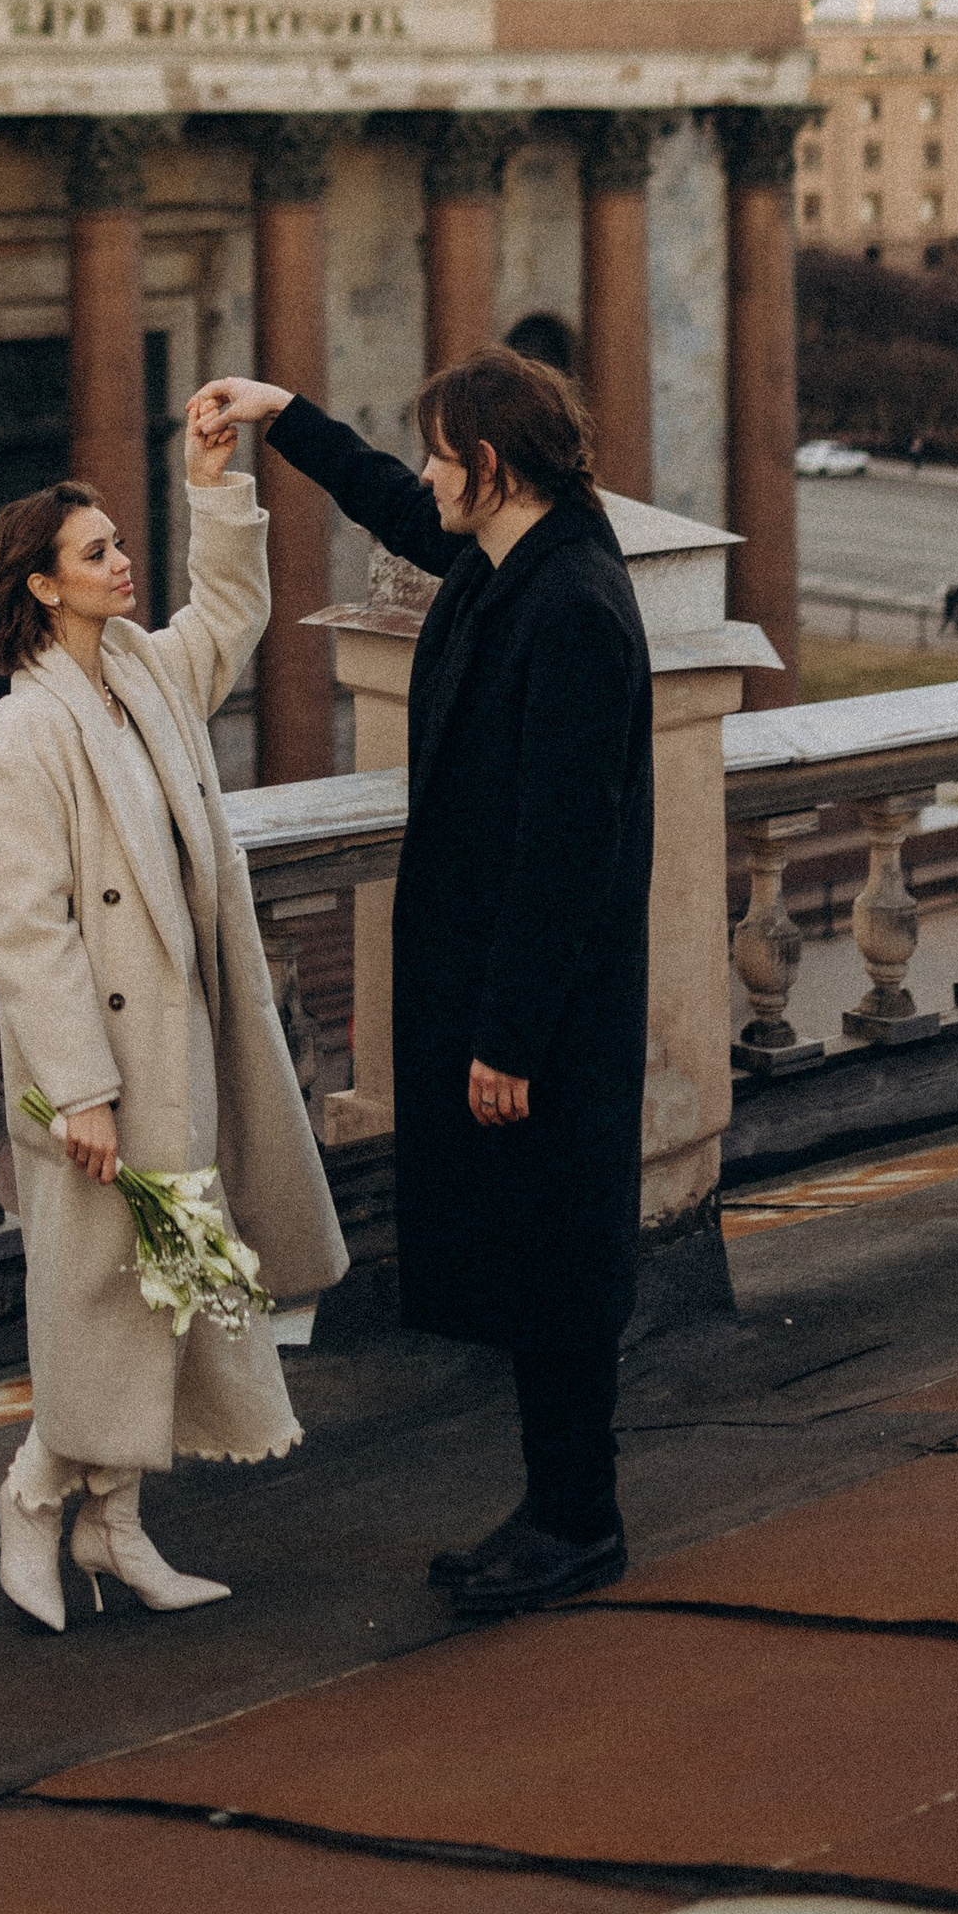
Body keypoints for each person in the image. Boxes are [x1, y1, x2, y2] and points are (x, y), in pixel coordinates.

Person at [194, 348, 652, 1616]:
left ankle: (577, 1521)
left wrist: (509, 1038)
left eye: (448, 455)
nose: (435, 475)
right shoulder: (521, 555)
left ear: (492, 469)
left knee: (557, 1267)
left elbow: (568, 849)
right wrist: (285, 422)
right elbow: (397, 505)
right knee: (533, 1254)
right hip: (511, 995)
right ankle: (559, 1508)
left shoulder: (570, 609)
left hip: (541, 1013)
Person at [0, 398, 347, 1633]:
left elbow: (230, 613)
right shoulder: (25, 734)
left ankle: (116, 1527)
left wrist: (210, 485)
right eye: (96, 553)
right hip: (101, 1082)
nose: (120, 563)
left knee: (172, 1295)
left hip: (179, 1057)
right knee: (99, 1301)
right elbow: (26, 930)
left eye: (123, 544)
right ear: (41, 585)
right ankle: (35, 1502)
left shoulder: (142, 674)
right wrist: (80, 1088)